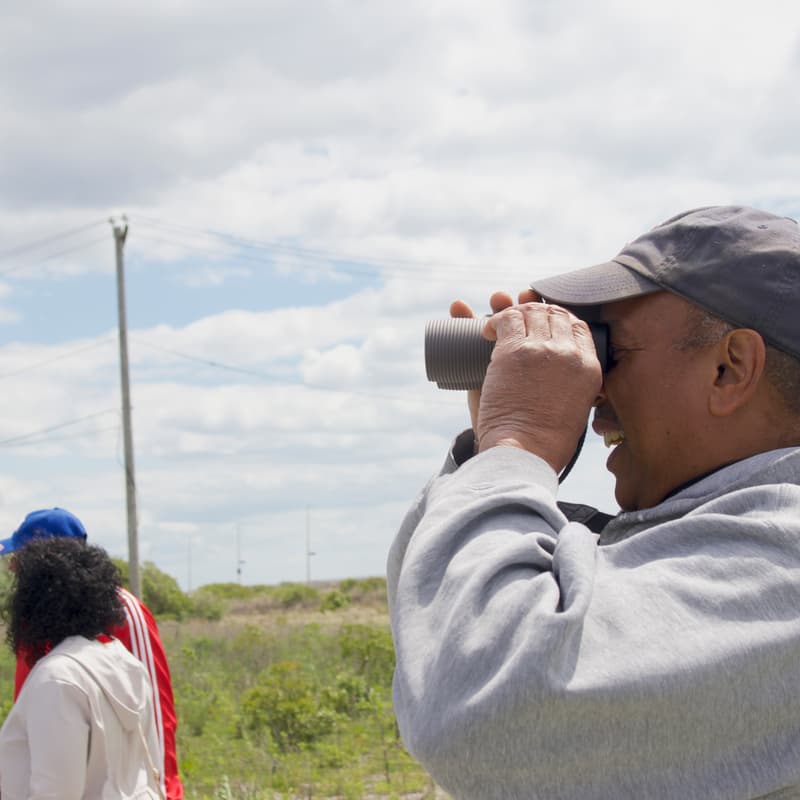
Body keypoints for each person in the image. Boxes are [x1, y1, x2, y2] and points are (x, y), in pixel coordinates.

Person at [387, 206, 800, 799]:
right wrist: (490, 457)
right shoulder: (710, 541)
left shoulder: (781, 559)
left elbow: (480, 721)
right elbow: (433, 666)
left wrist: (519, 437)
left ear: (729, 369)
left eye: (613, 352)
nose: (592, 388)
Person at [0, 508, 184, 800]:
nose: (12, 569)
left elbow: (154, 719)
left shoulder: (123, 613)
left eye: (21, 559)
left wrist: (165, 793)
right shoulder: (38, 622)